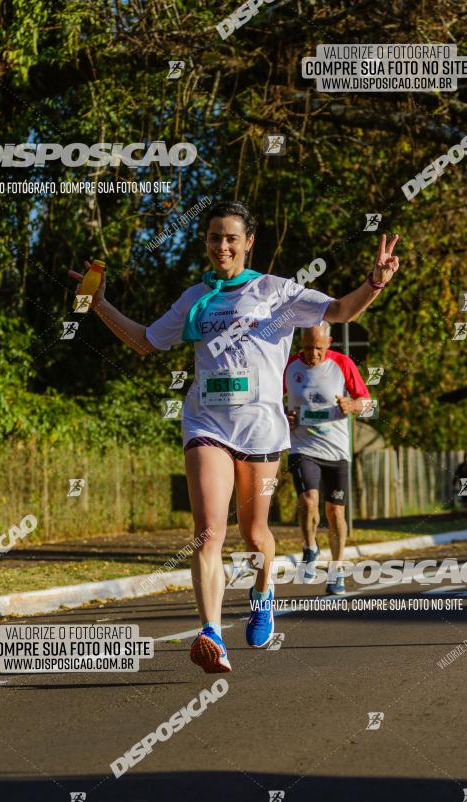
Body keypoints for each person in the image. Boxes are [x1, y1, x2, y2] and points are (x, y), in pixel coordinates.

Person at [69, 200, 400, 673]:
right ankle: (211, 634)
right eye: (213, 238)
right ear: (205, 243)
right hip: (206, 425)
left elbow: (342, 311)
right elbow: (144, 340)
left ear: (248, 242)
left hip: (262, 431)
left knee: (255, 534)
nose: (221, 246)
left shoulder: (278, 292)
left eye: (230, 238)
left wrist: (376, 282)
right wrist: (98, 305)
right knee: (208, 532)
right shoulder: (195, 299)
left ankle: (262, 593)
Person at [284, 323, 369, 594]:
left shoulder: (342, 364)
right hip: (302, 446)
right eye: (307, 347)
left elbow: (367, 401)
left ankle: (337, 570)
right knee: (308, 500)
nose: (313, 354)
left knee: (335, 512)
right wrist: (284, 416)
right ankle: (310, 547)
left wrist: (352, 405)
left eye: (319, 348)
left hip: (336, 449)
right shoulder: (288, 366)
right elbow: (271, 401)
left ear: (329, 343)